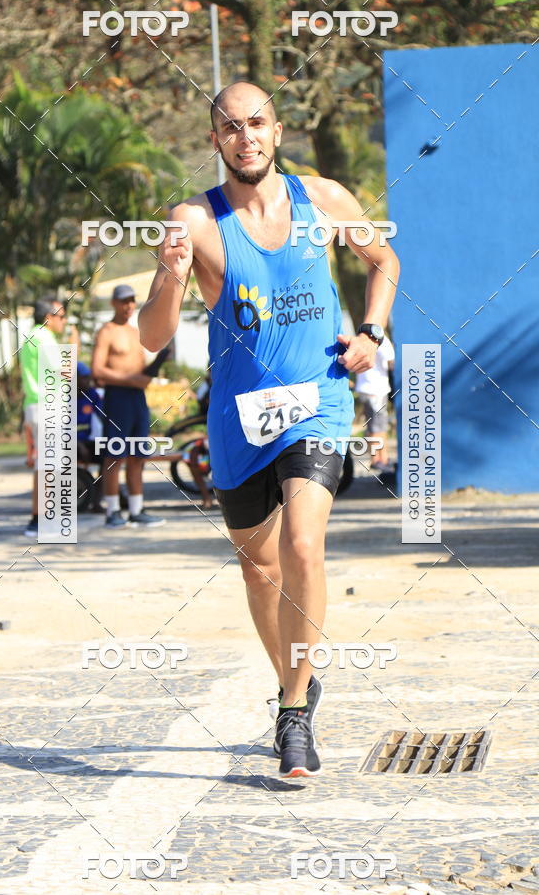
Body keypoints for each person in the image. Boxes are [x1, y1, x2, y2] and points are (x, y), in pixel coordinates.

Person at [139, 81, 399, 778]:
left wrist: (371, 331)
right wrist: (168, 279)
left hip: (318, 402)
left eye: (257, 123)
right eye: (230, 127)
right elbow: (150, 337)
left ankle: (292, 714)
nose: (245, 136)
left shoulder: (324, 199)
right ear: (214, 140)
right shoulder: (193, 220)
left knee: (304, 546)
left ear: (277, 131)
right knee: (260, 571)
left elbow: (384, 261)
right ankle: (298, 680)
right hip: (238, 418)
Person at [91, 284, 165, 529]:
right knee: (114, 455)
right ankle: (112, 511)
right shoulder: (107, 332)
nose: (128, 306)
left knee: (137, 455)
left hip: (137, 399)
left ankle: (136, 509)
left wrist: (151, 371)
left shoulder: (136, 332)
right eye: (124, 301)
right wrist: (130, 380)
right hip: (117, 397)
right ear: (113, 303)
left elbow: (143, 368)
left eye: (132, 301)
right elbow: (97, 370)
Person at [20, 298, 67, 537]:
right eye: (61, 316)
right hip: (47, 405)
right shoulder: (45, 337)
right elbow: (64, 370)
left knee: (44, 464)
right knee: (51, 464)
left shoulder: (30, 335)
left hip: (35, 403)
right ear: (48, 317)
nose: (64, 321)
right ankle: (44, 519)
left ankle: (38, 518)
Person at [355, 334, 395, 471]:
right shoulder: (384, 341)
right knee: (379, 428)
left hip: (364, 388)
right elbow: (391, 364)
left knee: (373, 427)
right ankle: (380, 459)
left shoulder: (360, 337)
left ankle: (377, 459)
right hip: (377, 389)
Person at [77, 361, 105, 513]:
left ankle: (97, 501)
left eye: (89, 377)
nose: (88, 381)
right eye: (84, 378)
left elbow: (102, 417)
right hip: (68, 443)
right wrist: (76, 442)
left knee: (109, 457)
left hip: (88, 442)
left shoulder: (92, 394)